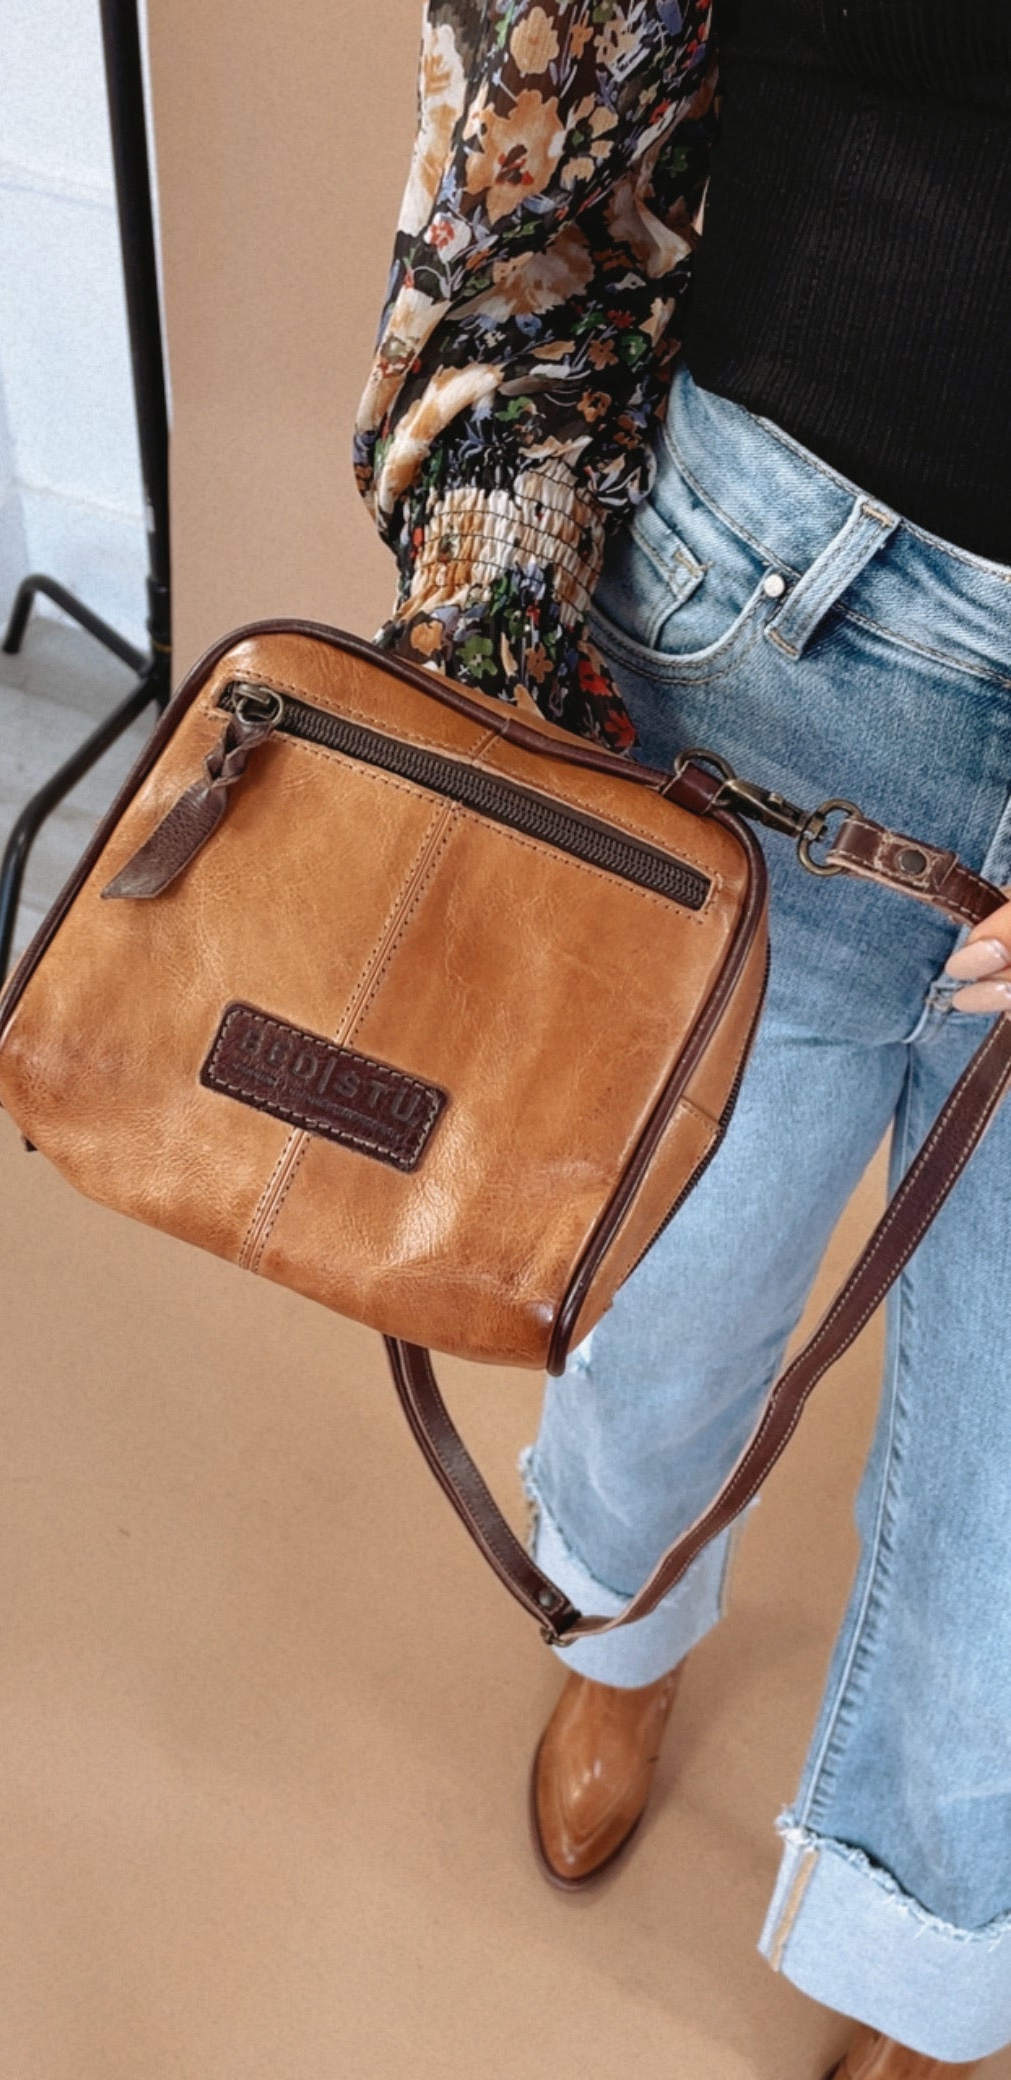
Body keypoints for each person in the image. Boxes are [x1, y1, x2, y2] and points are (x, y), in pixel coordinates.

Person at [353, 3, 1011, 2075]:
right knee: (671, 1282)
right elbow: (536, 112)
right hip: (775, 615)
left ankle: (926, 1948)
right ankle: (623, 1622)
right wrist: (494, 615)